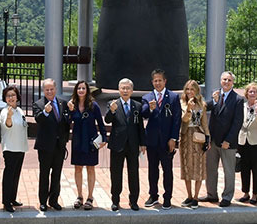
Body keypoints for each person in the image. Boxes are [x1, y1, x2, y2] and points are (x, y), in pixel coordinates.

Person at [199, 71, 243, 207]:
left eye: (229, 80)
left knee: (228, 171)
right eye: (224, 79)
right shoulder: (216, 95)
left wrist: (228, 140)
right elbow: (205, 106)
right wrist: (214, 101)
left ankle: (227, 197)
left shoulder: (238, 99)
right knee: (210, 169)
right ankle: (211, 195)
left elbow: (237, 122)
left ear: (233, 82)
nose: (226, 82)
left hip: (227, 143)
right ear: (220, 81)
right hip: (213, 141)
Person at [141, 69, 181, 210]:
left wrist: (173, 138)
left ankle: (168, 197)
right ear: (152, 82)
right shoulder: (147, 97)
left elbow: (177, 120)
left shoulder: (173, 97)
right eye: (155, 80)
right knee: (153, 169)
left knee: (167, 170)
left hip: (166, 141)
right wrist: (150, 109)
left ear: (165, 81)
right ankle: (153, 195)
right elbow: (143, 114)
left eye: (160, 80)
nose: (158, 83)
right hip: (151, 140)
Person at [105, 78, 145, 212]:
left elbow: (140, 127)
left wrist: (142, 143)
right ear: (119, 89)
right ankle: (115, 200)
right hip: (117, 144)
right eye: (123, 88)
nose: (125, 90)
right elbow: (107, 120)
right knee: (116, 173)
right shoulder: (113, 104)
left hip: (133, 145)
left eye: (128, 88)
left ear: (132, 90)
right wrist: (111, 111)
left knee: (133, 173)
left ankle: (133, 201)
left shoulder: (137, 106)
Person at [67, 80, 107, 211]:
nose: (81, 91)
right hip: (78, 141)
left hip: (91, 141)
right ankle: (79, 196)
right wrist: (71, 111)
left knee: (90, 168)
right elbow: (67, 122)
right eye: (79, 88)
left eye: (83, 88)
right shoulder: (72, 105)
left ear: (87, 90)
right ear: (76, 90)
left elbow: (101, 124)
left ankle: (90, 197)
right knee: (78, 168)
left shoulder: (93, 105)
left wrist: (104, 139)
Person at [32, 78, 70, 212]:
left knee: (57, 174)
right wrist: (46, 112)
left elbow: (66, 122)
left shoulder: (63, 103)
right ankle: (43, 201)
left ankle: (54, 200)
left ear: (55, 89)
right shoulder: (38, 104)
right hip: (45, 146)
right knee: (44, 174)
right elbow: (38, 120)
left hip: (59, 146)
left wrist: (64, 139)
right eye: (46, 89)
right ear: (43, 90)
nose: (49, 91)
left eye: (51, 89)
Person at [179, 80, 210, 209]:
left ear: (197, 91)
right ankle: (189, 196)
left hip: (199, 136)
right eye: (187, 89)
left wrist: (208, 138)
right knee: (186, 166)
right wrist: (188, 109)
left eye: (192, 89)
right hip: (186, 136)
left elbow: (204, 123)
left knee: (199, 167)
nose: (190, 92)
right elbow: (184, 120)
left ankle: (196, 197)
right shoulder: (181, 103)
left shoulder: (202, 104)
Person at [0, 85, 28, 213]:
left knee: (16, 174)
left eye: (13, 95)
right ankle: (6, 201)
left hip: (20, 147)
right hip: (10, 148)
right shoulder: (5, 111)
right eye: (8, 96)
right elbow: (7, 125)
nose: (11, 98)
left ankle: (13, 198)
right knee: (9, 175)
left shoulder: (20, 111)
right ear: (5, 98)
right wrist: (9, 116)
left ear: (17, 97)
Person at [237, 82, 257, 205]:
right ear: (247, 94)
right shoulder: (242, 106)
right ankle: (245, 193)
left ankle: (255, 194)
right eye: (250, 91)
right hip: (243, 142)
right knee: (244, 169)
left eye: (254, 92)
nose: (252, 94)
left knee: (256, 169)